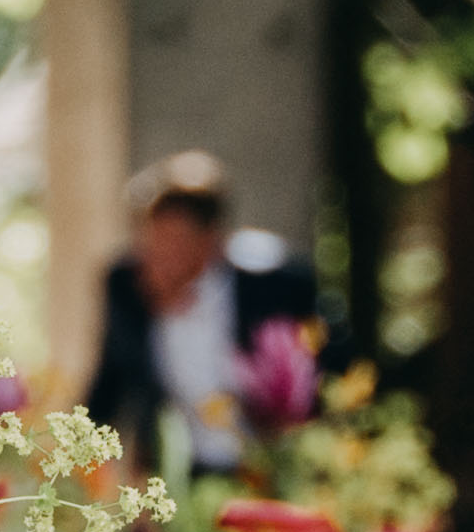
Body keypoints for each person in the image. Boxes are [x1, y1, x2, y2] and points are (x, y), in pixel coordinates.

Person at [82, 152, 319, 475]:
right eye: (153, 240)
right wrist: (80, 452)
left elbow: (314, 375)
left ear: (212, 240)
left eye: (176, 241)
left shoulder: (276, 287)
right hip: (176, 470)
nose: (161, 256)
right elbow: (109, 382)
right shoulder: (126, 286)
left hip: (265, 464)